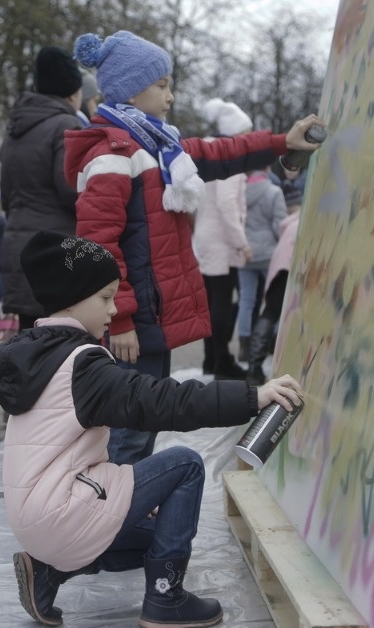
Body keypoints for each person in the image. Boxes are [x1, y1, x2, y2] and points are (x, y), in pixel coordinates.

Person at [0, 230, 302, 628]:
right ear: (71, 299)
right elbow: (162, 400)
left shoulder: (36, 354)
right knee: (185, 464)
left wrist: (133, 495)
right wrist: (251, 397)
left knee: (164, 532)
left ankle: (49, 572)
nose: (114, 308)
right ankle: (165, 599)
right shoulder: (83, 365)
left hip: (33, 520)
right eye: (105, 297)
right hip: (62, 512)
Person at [67, 30, 323, 464]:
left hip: (150, 316)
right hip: (133, 322)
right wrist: (121, 317)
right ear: (132, 90)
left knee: (145, 420)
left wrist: (282, 142)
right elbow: (97, 246)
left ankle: (130, 492)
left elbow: (220, 152)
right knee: (131, 427)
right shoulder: (114, 155)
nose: (170, 96)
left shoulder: (157, 145)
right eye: (162, 85)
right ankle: (116, 498)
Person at [0, 45, 85, 331]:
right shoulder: (66, 124)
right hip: (56, 248)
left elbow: (6, 195)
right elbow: (71, 189)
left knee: (31, 338)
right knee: (61, 339)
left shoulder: (15, 128)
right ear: (72, 93)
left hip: (19, 243)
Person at [194, 98, 254, 380]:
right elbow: (227, 203)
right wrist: (241, 242)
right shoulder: (230, 160)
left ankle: (211, 359)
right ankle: (221, 362)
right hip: (222, 240)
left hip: (206, 236)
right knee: (221, 302)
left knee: (211, 302)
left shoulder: (209, 156)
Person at [247, 185, 303, 385]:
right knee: (272, 313)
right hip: (289, 269)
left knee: (270, 312)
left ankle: (254, 366)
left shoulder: (290, 224)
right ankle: (254, 367)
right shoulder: (303, 222)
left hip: (279, 268)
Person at [237, 166, 292, 362]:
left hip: (246, 252)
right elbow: (280, 225)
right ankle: (271, 343)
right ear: (267, 169)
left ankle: (244, 346)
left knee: (246, 300)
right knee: (274, 300)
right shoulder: (273, 192)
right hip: (269, 254)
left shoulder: (240, 192)